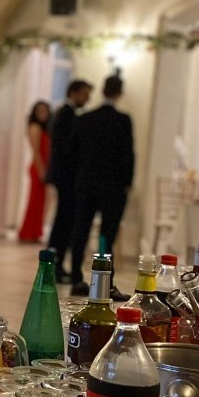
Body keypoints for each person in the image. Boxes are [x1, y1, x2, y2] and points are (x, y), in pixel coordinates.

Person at [67, 73, 134, 296]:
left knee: (81, 230)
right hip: (113, 186)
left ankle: (77, 277)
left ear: (102, 91)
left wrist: (79, 178)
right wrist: (127, 183)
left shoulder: (85, 118)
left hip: (86, 183)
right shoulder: (123, 120)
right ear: (119, 93)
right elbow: (128, 154)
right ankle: (106, 282)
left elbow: (73, 153)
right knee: (107, 234)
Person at [45, 79, 93, 283]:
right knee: (64, 222)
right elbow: (66, 150)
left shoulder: (67, 113)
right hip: (67, 177)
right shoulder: (67, 114)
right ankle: (54, 265)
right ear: (74, 93)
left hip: (66, 176)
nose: (88, 98)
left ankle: (57, 264)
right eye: (85, 94)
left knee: (65, 221)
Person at [18, 101, 51, 242]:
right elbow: (36, 151)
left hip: (44, 167)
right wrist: (42, 170)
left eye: (45, 111)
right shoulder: (35, 127)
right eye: (40, 111)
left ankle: (35, 232)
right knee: (34, 201)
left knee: (41, 202)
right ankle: (27, 232)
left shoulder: (46, 129)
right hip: (38, 167)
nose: (43, 114)